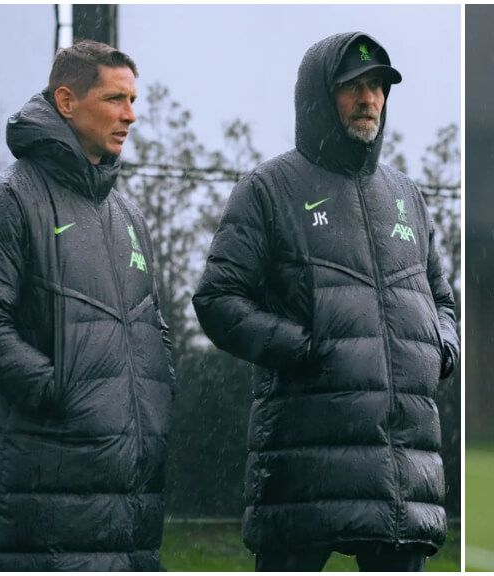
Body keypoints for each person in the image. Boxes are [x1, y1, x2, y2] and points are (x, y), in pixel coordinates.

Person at [192, 32, 459, 572]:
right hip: (302, 468)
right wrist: (302, 348)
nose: (370, 100)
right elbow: (217, 298)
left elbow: (442, 301)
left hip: (401, 476)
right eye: (353, 87)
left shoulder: (407, 195)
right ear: (318, 97)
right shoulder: (268, 188)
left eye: (378, 86)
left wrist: (441, 349)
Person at [0, 40, 174, 571]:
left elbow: (153, 327)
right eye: (115, 99)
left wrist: (155, 394)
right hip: (41, 502)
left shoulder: (128, 215)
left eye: (132, 100)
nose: (131, 115)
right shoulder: (7, 200)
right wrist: (63, 395)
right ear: (66, 101)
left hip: (130, 508)